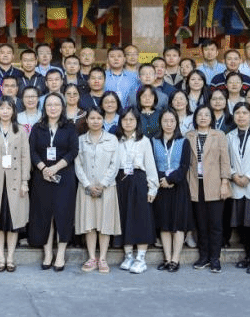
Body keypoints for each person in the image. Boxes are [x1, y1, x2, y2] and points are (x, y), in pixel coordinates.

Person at [28, 93, 79, 272]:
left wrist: (55, 168)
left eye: (56, 104)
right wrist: (43, 168)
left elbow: (73, 151)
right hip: (42, 177)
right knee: (44, 215)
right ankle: (48, 253)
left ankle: (61, 254)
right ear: (44, 108)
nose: (53, 108)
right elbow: (32, 151)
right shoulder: (37, 127)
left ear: (62, 107)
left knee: (63, 215)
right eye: (49, 105)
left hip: (64, 176)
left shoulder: (70, 127)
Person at [0, 96, 31, 273]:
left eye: (9, 108)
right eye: (2, 108)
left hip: (15, 182)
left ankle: (11, 257)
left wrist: (25, 182)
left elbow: (25, 157)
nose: (5, 111)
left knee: (13, 221)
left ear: (13, 111)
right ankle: (1, 257)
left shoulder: (21, 131)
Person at [73, 108, 121, 274]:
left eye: (99, 118)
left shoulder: (112, 139)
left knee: (105, 224)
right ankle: (92, 257)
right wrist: (88, 185)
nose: (95, 121)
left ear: (103, 120)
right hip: (86, 188)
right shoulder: (80, 140)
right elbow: (77, 164)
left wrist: (102, 184)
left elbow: (115, 164)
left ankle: (103, 258)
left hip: (107, 188)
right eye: (92, 118)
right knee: (90, 224)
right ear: (87, 120)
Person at [186, 105, 231, 273]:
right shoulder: (189, 136)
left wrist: (224, 182)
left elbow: (225, 161)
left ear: (211, 118)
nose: (203, 117)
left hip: (215, 184)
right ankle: (203, 257)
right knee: (201, 224)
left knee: (215, 225)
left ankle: (215, 258)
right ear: (195, 118)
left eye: (206, 115)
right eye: (200, 115)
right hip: (195, 184)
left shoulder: (219, 135)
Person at [115, 108, 159, 274]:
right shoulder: (116, 140)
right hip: (121, 181)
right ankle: (128, 256)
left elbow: (150, 165)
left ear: (137, 122)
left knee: (141, 217)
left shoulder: (144, 141)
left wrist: (152, 188)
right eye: (125, 119)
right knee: (124, 217)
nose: (128, 123)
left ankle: (141, 258)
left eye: (131, 120)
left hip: (139, 180)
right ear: (120, 122)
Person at [152, 110, 192, 273]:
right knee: (164, 224)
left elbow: (184, 166)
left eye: (172, 121)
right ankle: (167, 259)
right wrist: (162, 180)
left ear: (176, 123)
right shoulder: (154, 141)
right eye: (165, 121)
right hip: (160, 186)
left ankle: (175, 259)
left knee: (178, 224)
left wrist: (171, 180)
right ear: (160, 122)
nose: (168, 124)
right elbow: (151, 163)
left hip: (178, 186)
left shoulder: (184, 141)